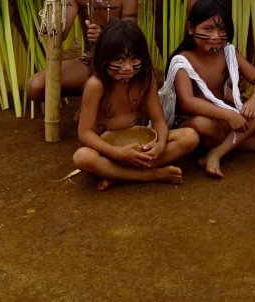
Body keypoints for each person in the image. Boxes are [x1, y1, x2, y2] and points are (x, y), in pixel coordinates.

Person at [73, 20, 200, 189]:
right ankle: (149, 174)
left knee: (190, 137)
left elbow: (158, 120)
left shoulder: (145, 79)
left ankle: (117, 174)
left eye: (134, 59)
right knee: (82, 157)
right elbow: (85, 133)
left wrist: (160, 144)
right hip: (106, 150)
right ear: (104, 57)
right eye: (119, 59)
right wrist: (117, 154)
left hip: (139, 147)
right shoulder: (96, 85)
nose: (127, 68)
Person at [157, 0, 255, 178]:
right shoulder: (182, 61)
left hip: (222, 118)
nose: (216, 37)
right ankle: (237, 143)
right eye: (208, 29)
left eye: (222, 29)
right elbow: (187, 102)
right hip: (194, 125)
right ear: (190, 28)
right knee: (203, 124)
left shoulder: (228, 51)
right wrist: (229, 115)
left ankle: (216, 153)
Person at [26, 0, 138, 104]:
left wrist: (105, 38)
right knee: (35, 87)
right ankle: (91, 94)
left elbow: (130, 41)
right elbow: (60, 34)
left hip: (121, 63)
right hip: (90, 60)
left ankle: (99, 100)